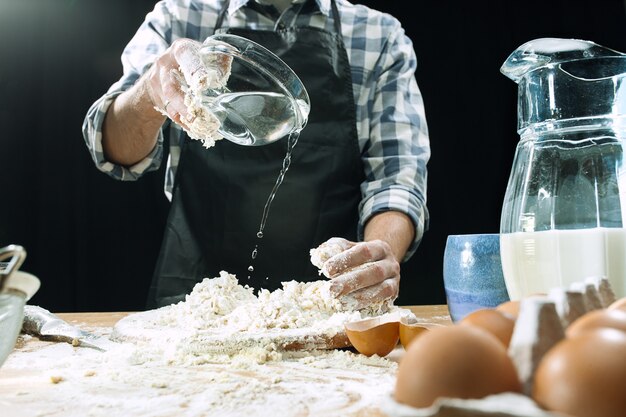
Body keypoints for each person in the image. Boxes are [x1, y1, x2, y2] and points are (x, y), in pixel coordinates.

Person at [82, 0, 430, 309]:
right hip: (193, 307)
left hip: (325, 305)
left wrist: (375, 259)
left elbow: (396, 181)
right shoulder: (179, 16)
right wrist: (149, 95)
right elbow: (112, 148)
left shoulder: (378, 37)